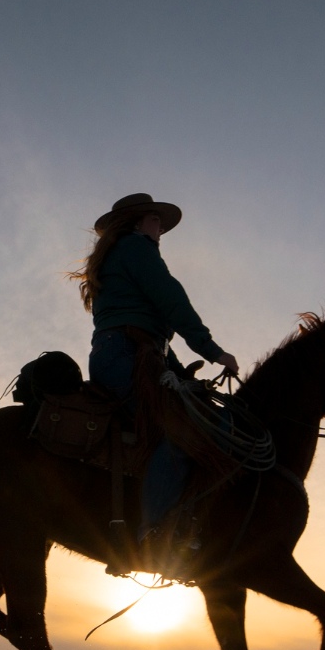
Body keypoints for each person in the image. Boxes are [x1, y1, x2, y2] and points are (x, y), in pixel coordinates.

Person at [71, 193, 241, 549]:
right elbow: (171, 299)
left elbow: (149, 327)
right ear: (135, 223)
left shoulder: (116, 255)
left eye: (160, 223)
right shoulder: (136, 247)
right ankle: (157, 530)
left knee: (193, 415)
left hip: (127, 352)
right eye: (154, 220)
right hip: (127, 355)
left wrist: (176, 368)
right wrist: (212, 350)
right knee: (184, 430)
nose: (160, 227)